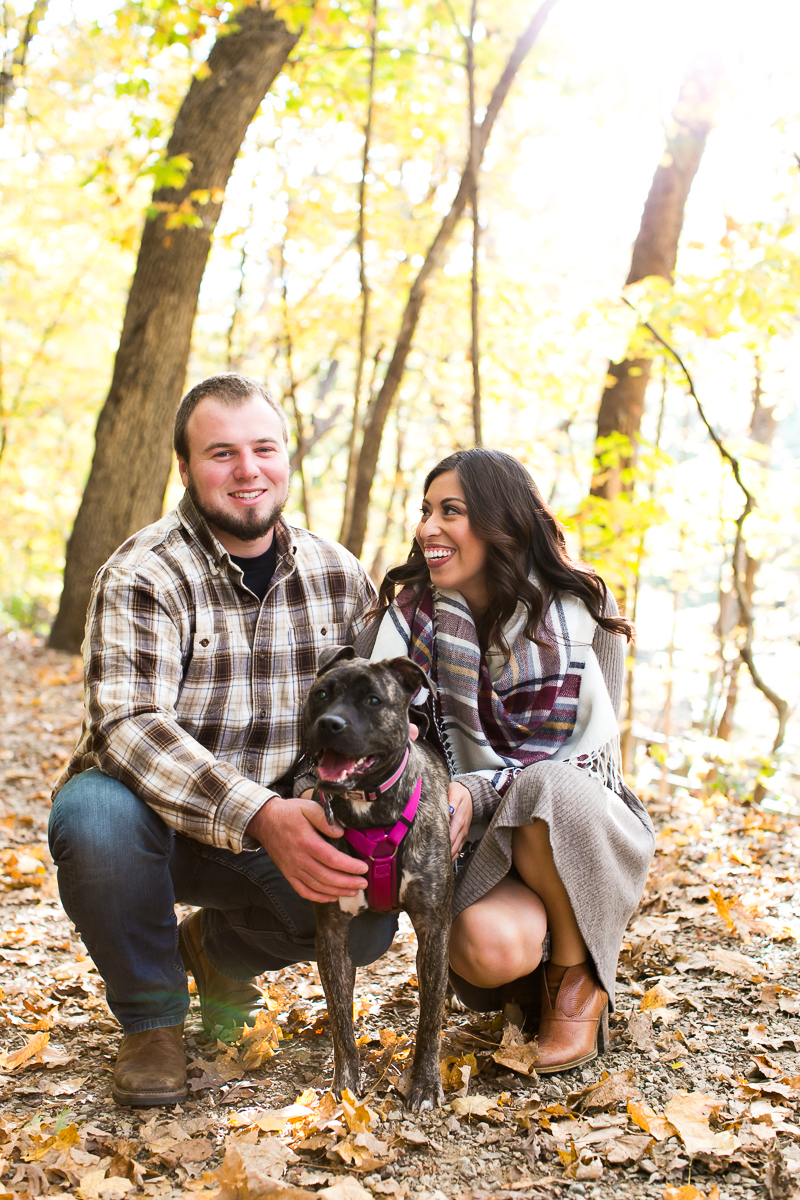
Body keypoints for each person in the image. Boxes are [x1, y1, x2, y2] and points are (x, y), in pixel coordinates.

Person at [48, 373, 397, 1108]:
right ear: (184, 469)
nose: (247, 471)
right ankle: (153, 1020)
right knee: (91, 820)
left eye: (263, 448)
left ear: (286, 458)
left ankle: (212, 948)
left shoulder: (338, 577)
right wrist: (259, 816)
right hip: (152, 820)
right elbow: (128, 725)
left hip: (283, 816)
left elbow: (375, 714)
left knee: (365, 922)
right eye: (221, 453)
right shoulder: (142, 572)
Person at [362, 448, 655, 1073]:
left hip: (576, 822)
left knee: (544, 787)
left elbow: (590, 763)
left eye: (451, 512)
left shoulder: (582, 615)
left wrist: (482, 788)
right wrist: (446, 791)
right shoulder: (407, 621)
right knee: (489, 949)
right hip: (474, 841)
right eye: (425, 511)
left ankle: (578, 982)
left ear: (503, 524)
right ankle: (532, 970)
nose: (426, 529)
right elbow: (386, 744)